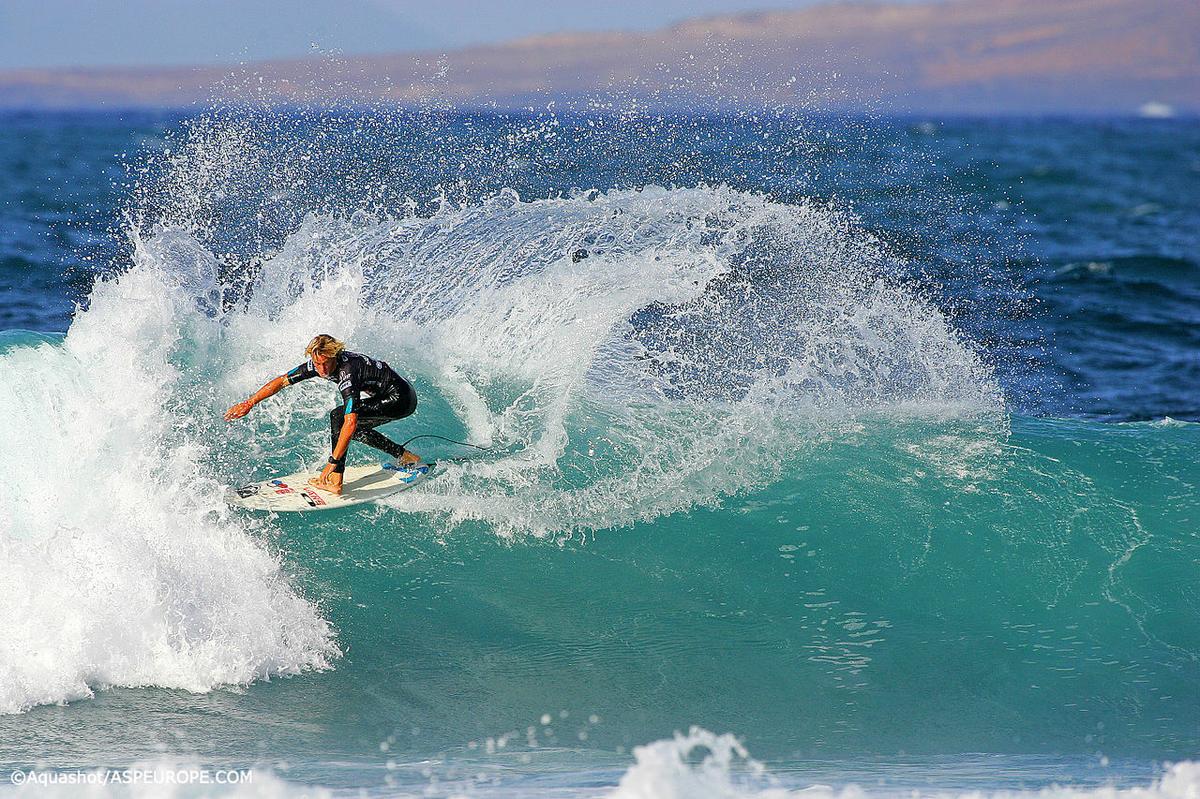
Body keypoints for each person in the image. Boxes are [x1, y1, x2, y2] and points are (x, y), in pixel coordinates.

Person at [224, 334, 421, 495]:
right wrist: (249, 403)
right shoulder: (318, 364)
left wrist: (332, 463)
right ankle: (406, 456)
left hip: (400, 399)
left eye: (326, 363)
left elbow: (350, 422)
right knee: (351, 428)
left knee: (339, 418)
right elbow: (282, 381)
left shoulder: (348, 372)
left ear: (335, 356)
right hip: (393, 392)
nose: (322, 369)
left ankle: (335, 480)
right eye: (317, 363)